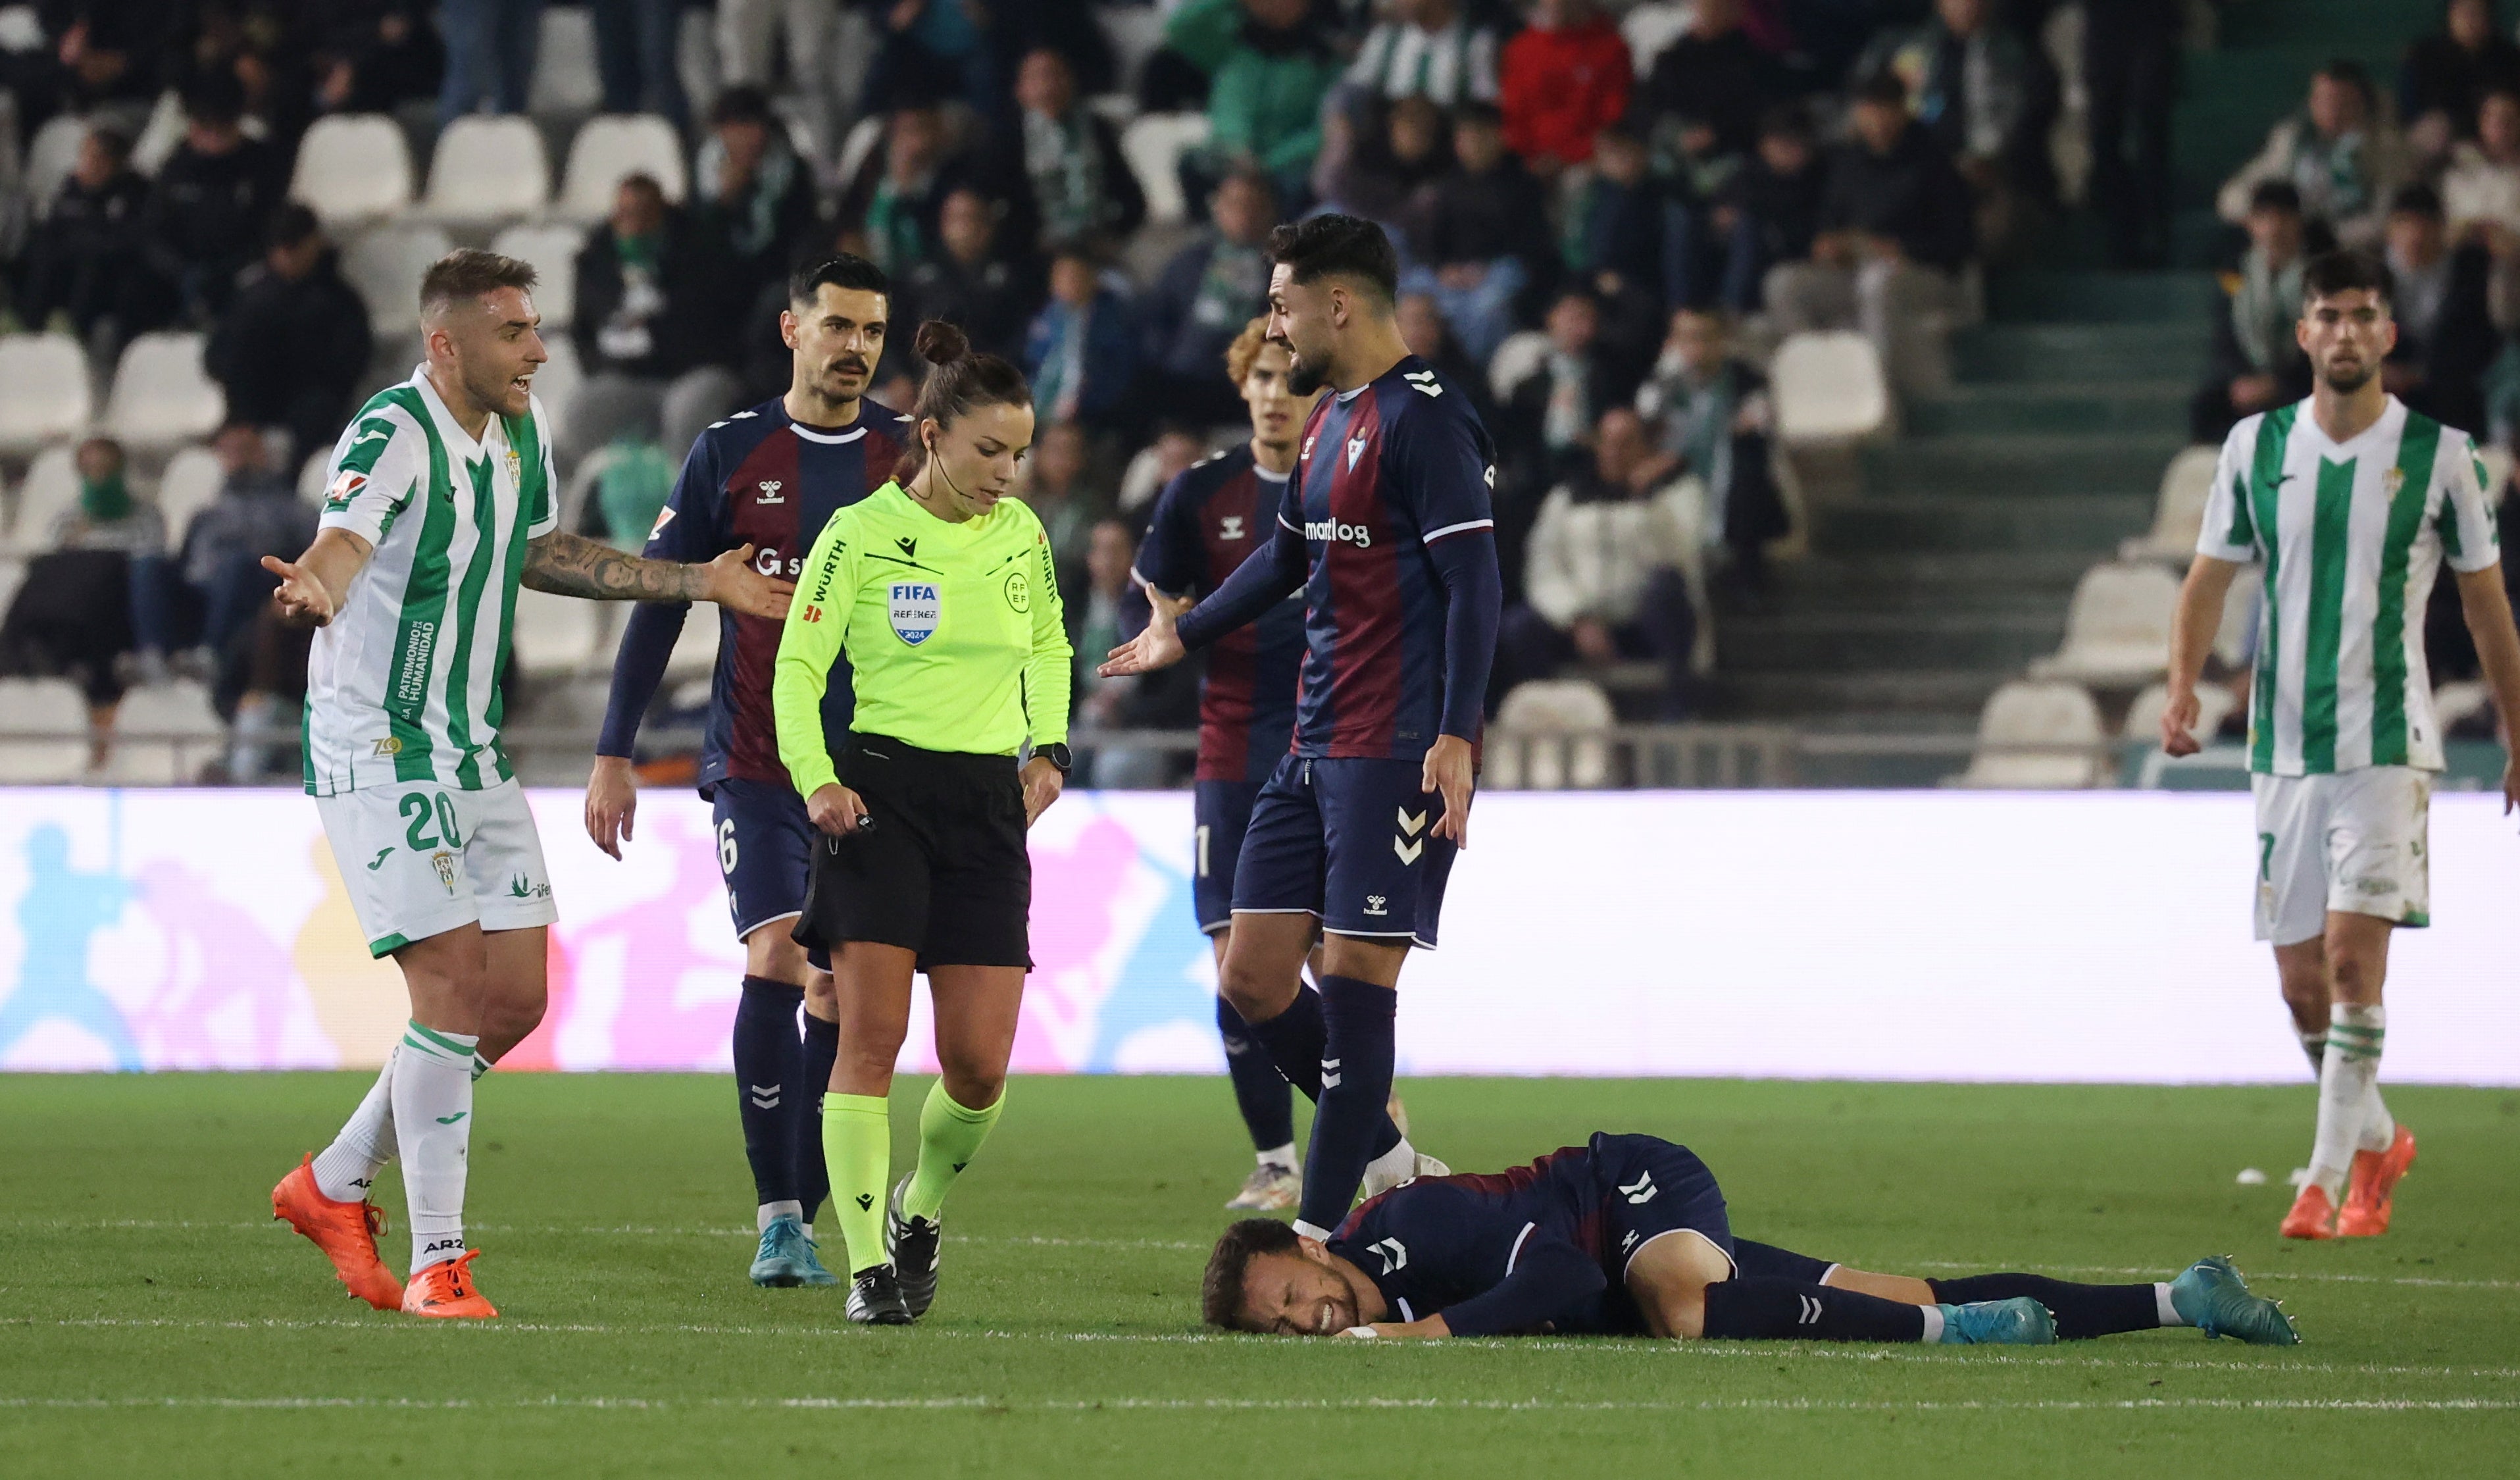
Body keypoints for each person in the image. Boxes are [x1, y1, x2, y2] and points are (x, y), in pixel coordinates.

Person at [265, 249, 795, 1321]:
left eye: (538, 328)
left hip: (469, 740)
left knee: (513, 1001)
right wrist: (317, 586)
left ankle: (330, 1183)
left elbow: (542, 551)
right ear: (445, 343)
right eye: (515, 332)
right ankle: (441, 1261)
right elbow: (341, 541)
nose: (541, 350)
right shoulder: (391, 431)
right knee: (452, 986)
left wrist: (702, 581)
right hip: (379, 741)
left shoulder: (520, 435)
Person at [1101, 215, 1499, 1246]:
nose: (1271, 323)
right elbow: (1282, 562)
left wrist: (1455, 733)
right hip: (1308, 747)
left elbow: (1474, 584)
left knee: (1355, 977)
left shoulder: (1427, 421)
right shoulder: (1327, 423)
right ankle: (1389, 1162)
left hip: (1393, 744)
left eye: (1281, 302)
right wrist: (1178, 635)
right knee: (1250, 976)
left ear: (1338, 302)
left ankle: (1321, 1239)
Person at [2161, 249, 2520, 1242]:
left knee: (2354, 966)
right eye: (2330, 315)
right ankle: (2377, 1137)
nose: (2348, 331)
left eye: (2365, 314)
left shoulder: (2445, 458)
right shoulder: (2253, 446)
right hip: (2281, 746)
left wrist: (2516, 724)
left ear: (2388, 335)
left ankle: (2319, 1181)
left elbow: (2484, 602)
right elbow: (2206, 578)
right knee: (2300, 984)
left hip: (2386, 745)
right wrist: (2181, 688)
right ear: (2303, 333)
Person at [588, 253, 908, 1291]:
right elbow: (663, 598)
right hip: (761, 762)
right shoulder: (730, 452)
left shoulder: (913, 455)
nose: (855, 347)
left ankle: (801, 1212)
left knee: (841, 997)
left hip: (881, 769)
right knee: (778, 958)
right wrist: (613, 751)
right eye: (838, 326)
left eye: (871, 330)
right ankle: (778, 1218)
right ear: (792, 330)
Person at [771, 320, 1073, 1325]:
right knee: (872, 1035)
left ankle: (919, 1207)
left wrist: (1049, 747)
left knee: (979, 1067)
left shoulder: (1021, 535)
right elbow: (798, 668)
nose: (1006, 471)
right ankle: (865, 1270)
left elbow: (1049, 646)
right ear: (932, 435)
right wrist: (816, 779)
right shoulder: (856, 535)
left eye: (1019, 453)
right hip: (879, 800)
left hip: (987, 808)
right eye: (989, 449)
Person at [1201, 1132, 2301, 1346]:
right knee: (1888, 1279)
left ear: (1309, 1253)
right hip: (1642, 1241)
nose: (1310, 1315)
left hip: (1635, 1187)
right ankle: (2179, 1296)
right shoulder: (1375, 1280)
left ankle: (1949, 1330)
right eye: (1284, 1323)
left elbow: (1564, 1267)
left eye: (1295, 1291)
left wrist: (1433, 1329)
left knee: (1679, 1306)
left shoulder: (1407, 1229)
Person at [1130, 317, 1323, 1210]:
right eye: (1264, 378)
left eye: (1292, 378)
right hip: (1233, 745)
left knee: (1337, 965)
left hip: (1333, 740)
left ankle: (1372, 1136)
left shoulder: (1349, 482)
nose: (1277, 394)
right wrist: (1168, 619)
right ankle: (1278, 1158)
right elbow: (1159, 593)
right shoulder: (1199, 492)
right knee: (1233, 963)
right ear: (1243, 387)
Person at [1765, 70, 1975, 398]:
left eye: (1883, 108)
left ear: (1902, 110)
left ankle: (1877, 392)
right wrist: (1829, 246)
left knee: (1877, 283)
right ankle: (1820, 384)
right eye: (1868, 110)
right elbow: (1827, 224)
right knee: (1784, 284)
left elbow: (1958, 241)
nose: (1875, 120)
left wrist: (1900, 249)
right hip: (1854, 270)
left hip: (1921, 274)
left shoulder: (1932, 161)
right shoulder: (1848, 162)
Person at [1497, 406, 1702, 717]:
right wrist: (1577, 619)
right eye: (1608, 442)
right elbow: (1542, 566)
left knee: (1668, 592)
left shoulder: (1673, 496)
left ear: (1645, 448)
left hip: (1641, 624)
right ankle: (1538, 721)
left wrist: (1647, 503)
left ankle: (1675, 715)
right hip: (1580, 624)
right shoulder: (1567, 498)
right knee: (1518, 627)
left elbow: (1680, 563)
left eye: (1626, 443)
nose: (1615, 453)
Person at [567, 174, 746, 466]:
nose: (634, 226)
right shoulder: (597, 262)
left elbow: (716, 326)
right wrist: (611, 360)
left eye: (644, 215)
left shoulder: (701, 251)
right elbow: (584, 332)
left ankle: (689, 503)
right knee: (584, 411)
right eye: (625, 215)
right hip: (630, 378)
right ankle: (604, 502)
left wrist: (657, 330)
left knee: (687, 409)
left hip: (695, 372)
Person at [1636, 307, 1788, 600]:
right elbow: (1646, 423)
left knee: (1748, 487)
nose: (1696, 347)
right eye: (1686, 338)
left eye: (1704, 338)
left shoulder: (1747, 379)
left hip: (1729, 474)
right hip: (1674, 476)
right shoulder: (1663, 381)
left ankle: (1747, 580)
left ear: (1722, 341)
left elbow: (1758, 427)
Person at [206, 204, 374, 463]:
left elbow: (349, 363)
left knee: (317, 413)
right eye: (279, 248)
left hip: (312, 402)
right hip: (255, 402)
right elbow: (221, 356)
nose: (286, 256)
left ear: (314, 243)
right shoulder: (251, 300)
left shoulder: (340, 301)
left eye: (293, 247)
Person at [143, 70, 288, 326]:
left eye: (218, 129)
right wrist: (182, 271)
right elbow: (154, 230)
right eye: (201, 126)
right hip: (180, 274)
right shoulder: (177, 166)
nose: (207, 136)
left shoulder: (262, 166)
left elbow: (268, 232)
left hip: (238, 274)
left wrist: (224, 272)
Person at [2217, 61, 2410, 251]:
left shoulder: (2387, 147)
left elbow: (2386, 217)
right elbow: (2235, 196)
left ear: (2361, 103)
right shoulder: (2292, 140)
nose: (2330, 110)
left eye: (2340, 101)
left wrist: (2324, 237)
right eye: (2322, 100)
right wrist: (2268, 221)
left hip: (2355, 248)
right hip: (2291, 242)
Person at [1140, 170, 1278, 428]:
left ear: (1268, 211)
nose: (1243, 215)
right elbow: (1157, 319)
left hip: (1250, 387)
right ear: (1217, 208)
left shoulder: (1286, 268)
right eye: (1234, 204)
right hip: (1185, 381)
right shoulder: (1189, 262)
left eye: (1252, 206)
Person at [2192, 181, 2319, 446]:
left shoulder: (2322, 277)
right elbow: (2226, 336)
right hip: (2248, 376)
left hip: (2301, 382)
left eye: (2283, 217)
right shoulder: (2236, 274)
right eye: (2264, 218)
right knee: (2208, 406)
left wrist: (2278, 383)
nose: (2274, 228)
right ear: (2250, 224)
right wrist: (2241, 378)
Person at [2378, 183, 2497, 437]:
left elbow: (2480, 340)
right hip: (2390, 393)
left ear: (2441, 228)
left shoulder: (2470, 271)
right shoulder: (2370, 276)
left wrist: (2424, 374)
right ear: (2390, 229)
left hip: (2453, 391)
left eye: (2424, 224)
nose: (2415, 235)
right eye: (2404, 224)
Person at [15, 124, 150, 348]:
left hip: (109, 274)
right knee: (40, 260)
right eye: (87, 156)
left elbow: (129, 240)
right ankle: (28, 335)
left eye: (100, 159)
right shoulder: (72, 188)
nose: (90, 165)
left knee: (91, 266)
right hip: (66, 266)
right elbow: (53, 231)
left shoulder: (136, 193)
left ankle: (74, 339)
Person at [1497, 0, 1630, 172]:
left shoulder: (1612, 49)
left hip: (1590, 162)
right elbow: (1514, 116)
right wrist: (1530, 158)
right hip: (1531, 164)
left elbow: (1612, 116)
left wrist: (1575, 155)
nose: (1556, 5)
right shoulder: (1520, 50)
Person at [2400, 0, 2520, 161]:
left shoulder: (2509, 57)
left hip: (2498, 137)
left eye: (2479, 13)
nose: (2471, 20)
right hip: (2443, 141)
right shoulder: (2424, 56)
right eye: (2465, 13)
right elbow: (2409, 109)